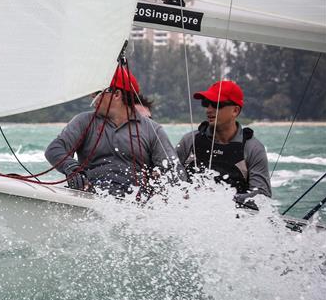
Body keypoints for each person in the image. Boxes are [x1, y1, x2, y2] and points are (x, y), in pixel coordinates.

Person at [45, 67, 182, 196]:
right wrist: (71, 168)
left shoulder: (153, 130)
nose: (92, 96)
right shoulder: (84, 121)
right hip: (90, 197)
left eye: (98, 92)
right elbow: (54, 149)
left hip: (135, 203)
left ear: (117, 94)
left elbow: (175, 170)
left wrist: (159, 179)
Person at [176, 80, 271, 201]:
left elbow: (262, 196)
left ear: (235, 111)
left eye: (216, 105)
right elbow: (170, 176)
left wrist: (221, 199)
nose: (208, 110)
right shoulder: (189, 140)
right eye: (206, 103)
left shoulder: (253, 148)